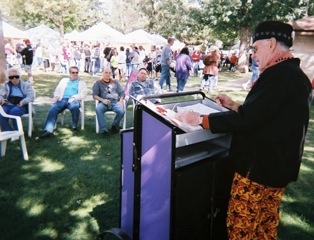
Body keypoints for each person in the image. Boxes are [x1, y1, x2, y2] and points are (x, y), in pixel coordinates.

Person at [174, 21, 312, 240]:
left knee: (242, 229)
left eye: (256, 49)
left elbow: (249, 121)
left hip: (258, 171)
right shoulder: (295, 76)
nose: (254, 56)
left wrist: (200, 119)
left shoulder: (278, 75)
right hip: (277, 170)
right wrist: (235, 106)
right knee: (264, 227)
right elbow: (266, 115)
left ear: (272, 43)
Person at [40, 66, 87, 138]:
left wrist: (74, 97)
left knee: (75, 107)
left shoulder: (81, 83)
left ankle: (74, 127)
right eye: (73, 72)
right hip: (62, 99)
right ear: (69, 73)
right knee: (53, 108)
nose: (75, 74)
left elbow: (83, 94)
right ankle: (48, 130)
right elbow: (57, 90)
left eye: (76, 72)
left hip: (73, 99)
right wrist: (57, 96)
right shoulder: (64, 80)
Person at [92, 67, 125, 138]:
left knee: (121, 111)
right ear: (102, 73)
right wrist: (102, 100)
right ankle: (104, 130)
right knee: (98, 109)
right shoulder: (98, 83)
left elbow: (122, 92)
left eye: (109, 73)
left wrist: (121, 100)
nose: (107, 74)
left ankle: (114, 126)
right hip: (104, 102)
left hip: (114, 102)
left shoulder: (115, 82)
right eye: (106, 73)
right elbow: (94, 95)